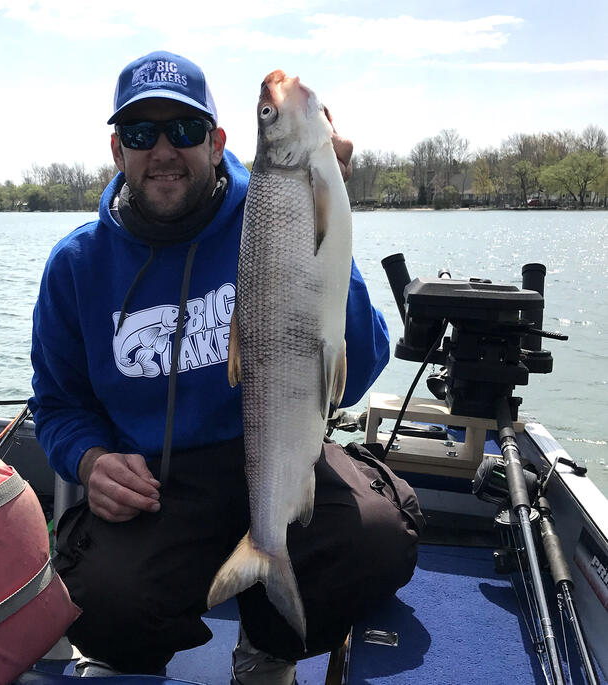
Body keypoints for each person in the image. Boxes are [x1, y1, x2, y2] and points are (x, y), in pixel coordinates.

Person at [30, 51, 422, 684]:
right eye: (140, 134)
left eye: (183, 131)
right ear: (116, 150)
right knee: (99, 601)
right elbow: (56, 404)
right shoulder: (75, 265)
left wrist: (326, 224)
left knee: (378, 542)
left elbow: (364, 365)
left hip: (281, 446)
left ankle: (269, 650)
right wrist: (90, 462)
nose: (162, 150)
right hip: (160, 482)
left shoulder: (272, 209)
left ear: (216, 143)